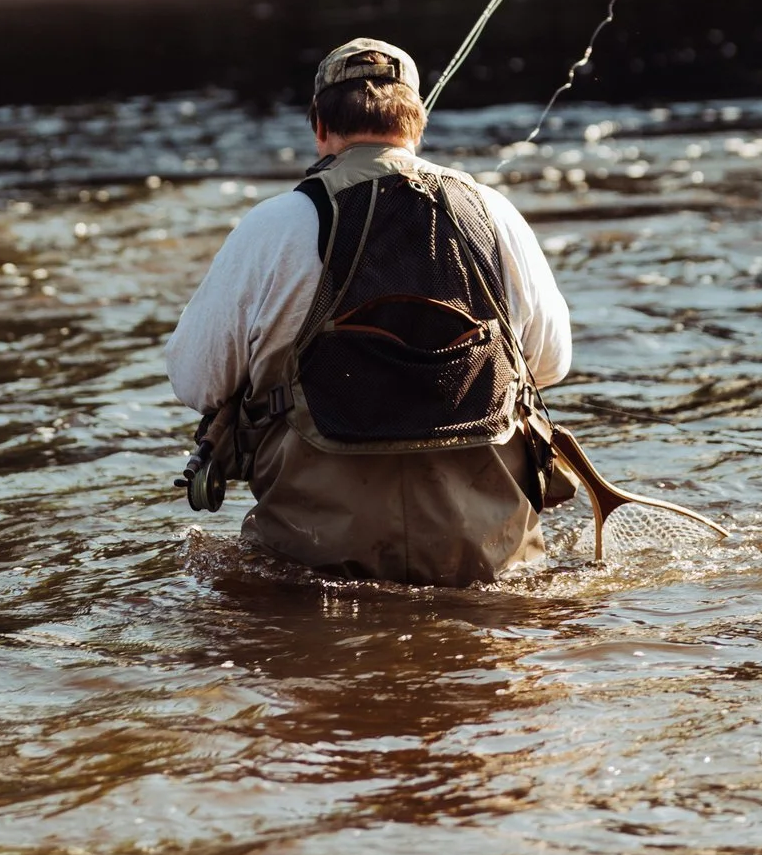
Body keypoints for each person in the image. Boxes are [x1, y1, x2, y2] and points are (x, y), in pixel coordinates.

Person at [166, 37, 574, 585]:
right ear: (417, 123)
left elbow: (198, 381)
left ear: (319, 126)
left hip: (315, 562)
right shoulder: (494, 214)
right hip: (485, 562)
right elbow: (550, 365)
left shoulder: (274, 225)